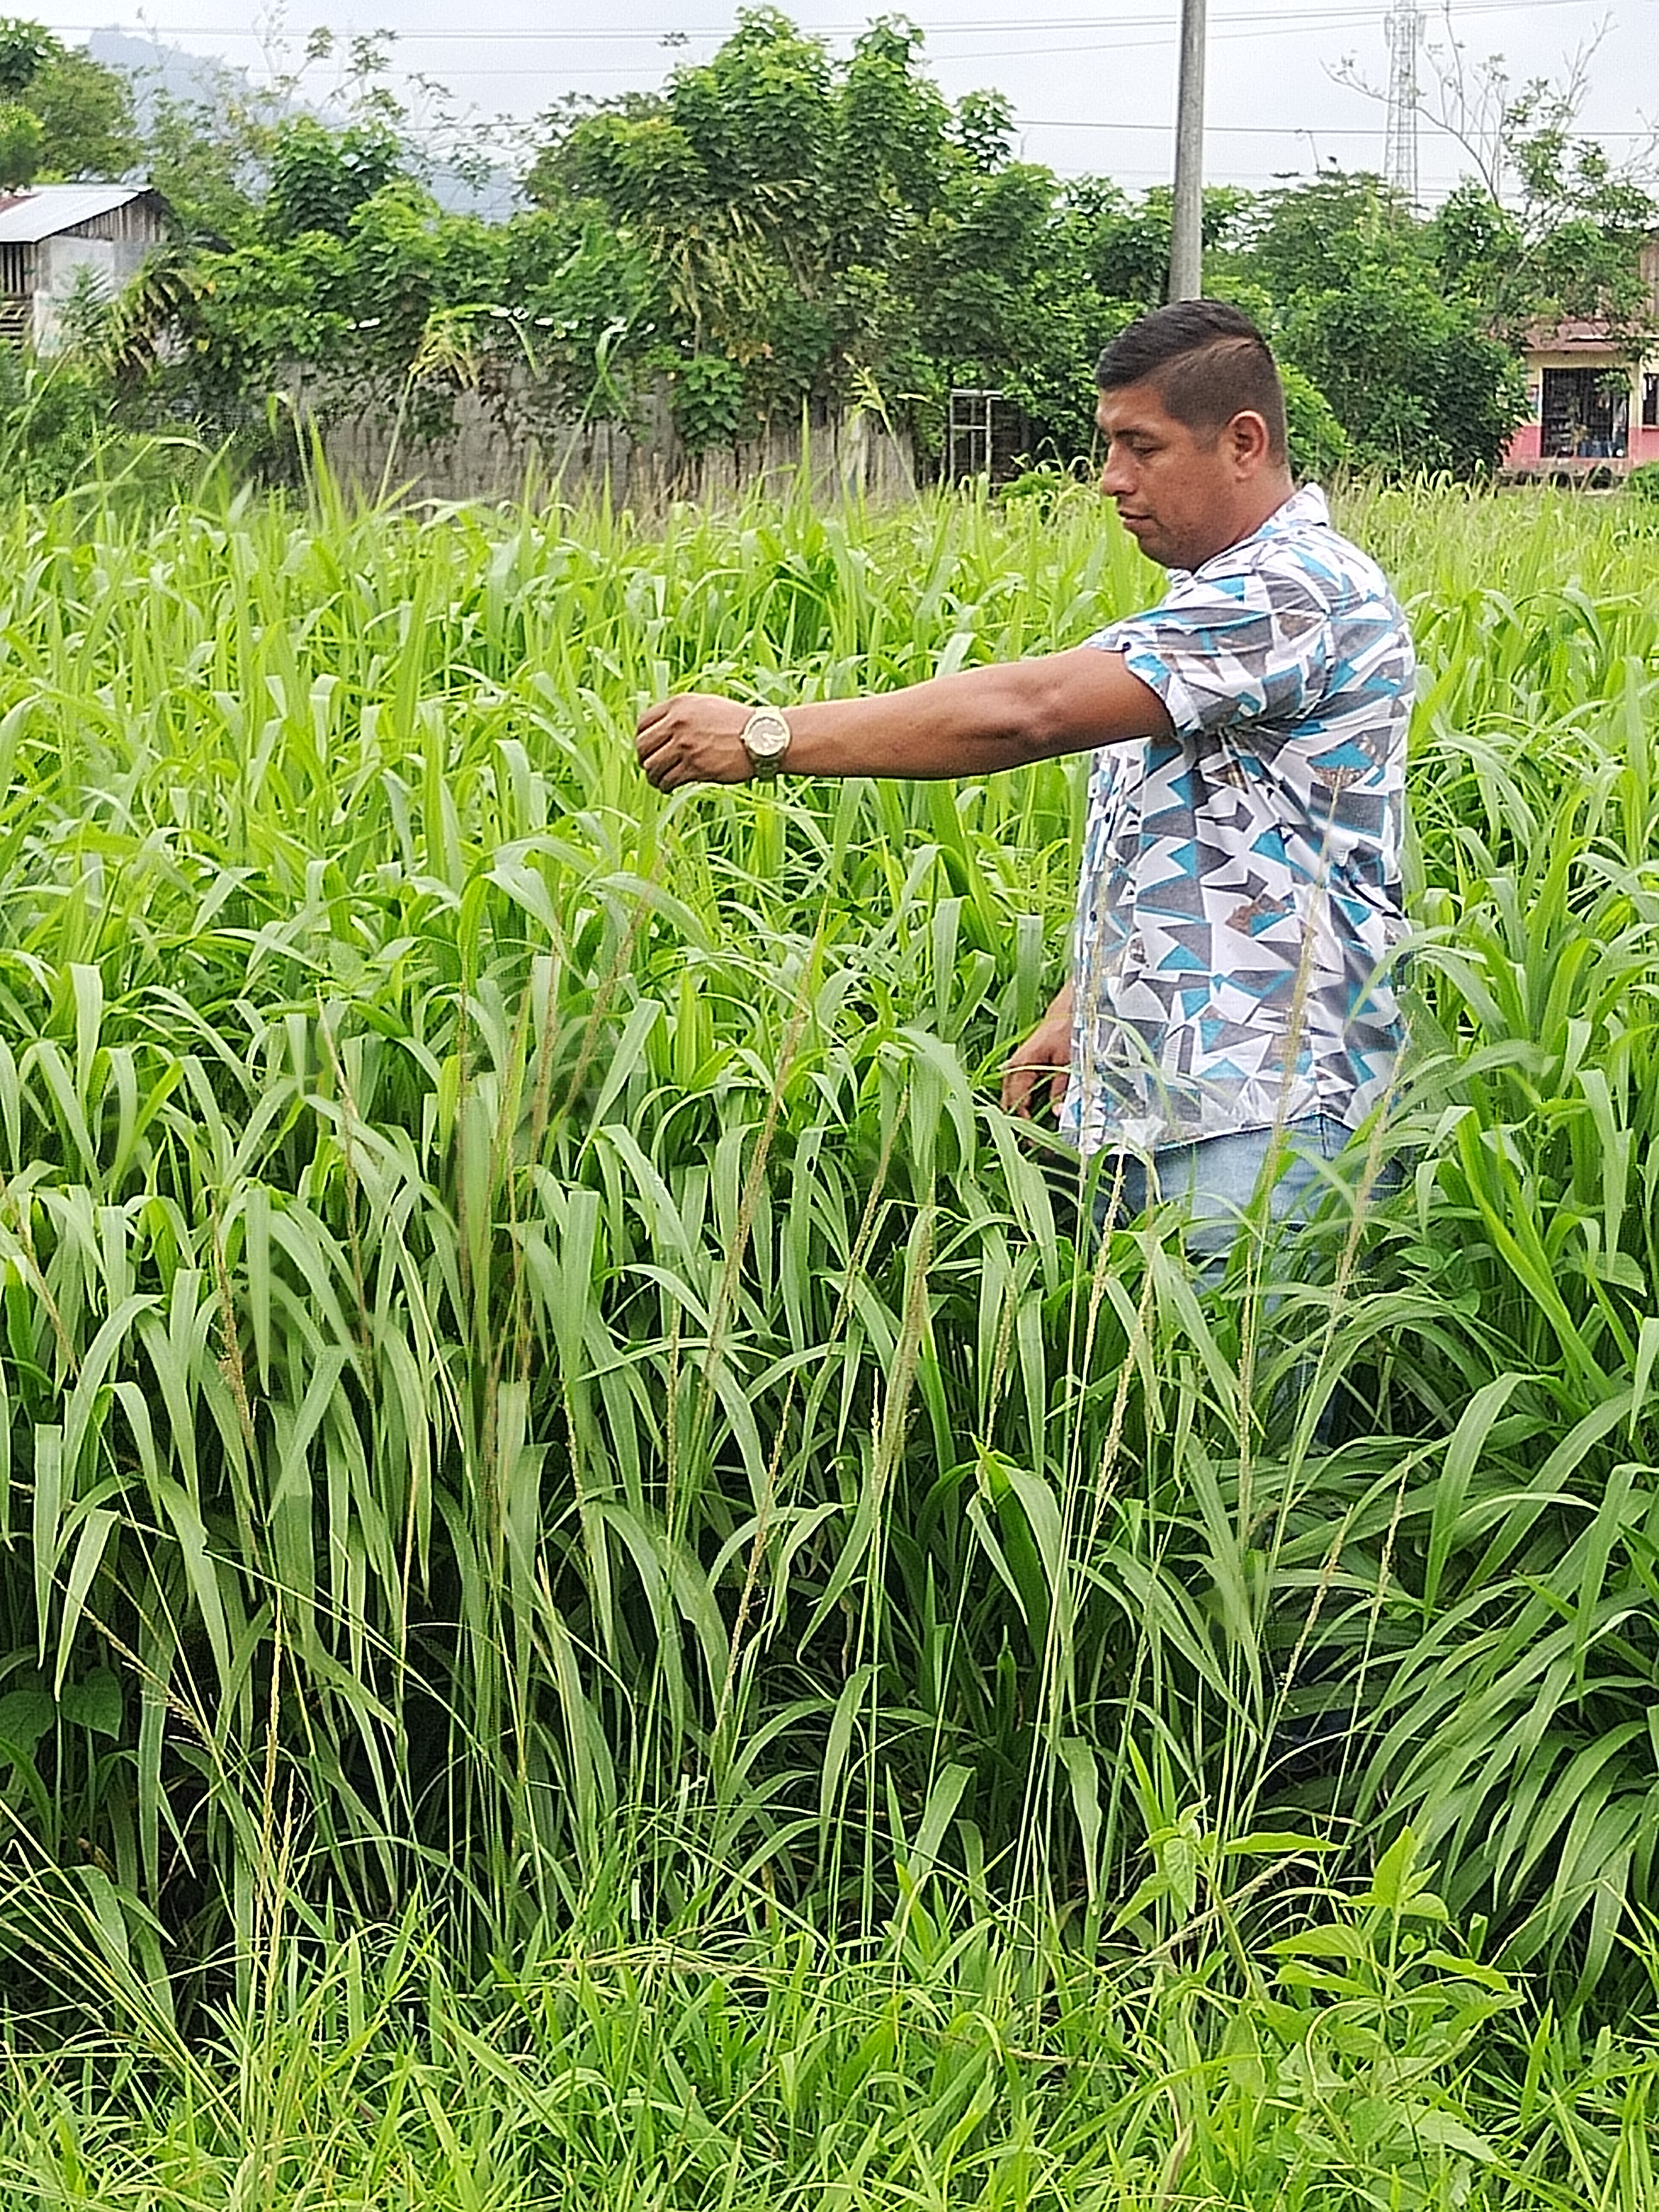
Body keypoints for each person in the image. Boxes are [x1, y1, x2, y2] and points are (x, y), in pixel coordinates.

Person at [637, 301, 1413, 1259]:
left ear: (1243, 443)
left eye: (1142, 446)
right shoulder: (1215, 596)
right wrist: (1082, 1006)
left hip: (1264, 1117)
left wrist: (767, 737)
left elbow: (1027, 712)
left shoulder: (1298, 589)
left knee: (1237, 1367)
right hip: (1171, 1103)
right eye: (1110, 444)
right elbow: (1196, 834)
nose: (1112, 477)